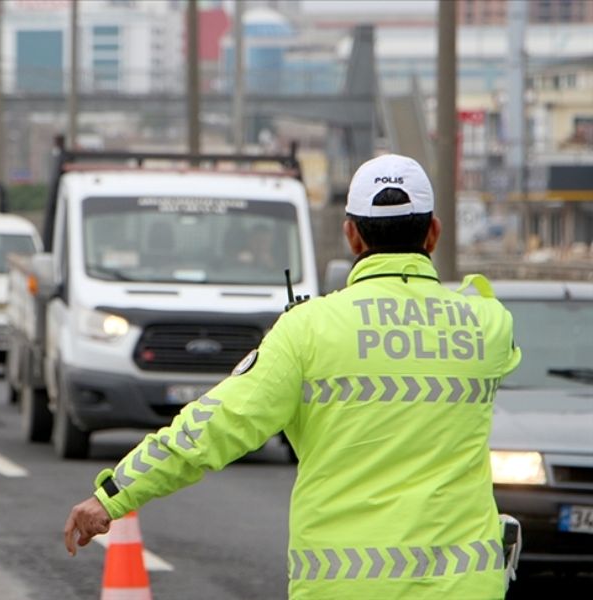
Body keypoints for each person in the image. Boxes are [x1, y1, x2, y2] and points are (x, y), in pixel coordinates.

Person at [64, 154, 522, 599]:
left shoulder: (308, 328)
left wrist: (114, 495)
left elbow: (212, 427)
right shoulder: (486, 323)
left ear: (352, 236)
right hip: (464, 586)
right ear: (434, 232)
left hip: (343, 584)